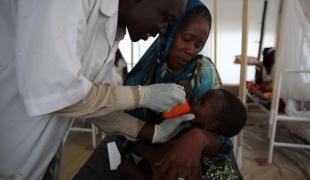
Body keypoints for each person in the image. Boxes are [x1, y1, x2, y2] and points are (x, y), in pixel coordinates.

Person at [0, 0, 191, 179]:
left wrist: (154, 132)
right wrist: (141, 95)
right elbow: (55, 92)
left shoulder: (112, 27)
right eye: (165, 18)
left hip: (36, 159)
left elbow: (94, 103)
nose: (162, 30)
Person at [87, 3, 241, 180]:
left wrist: (198, 138)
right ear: (169, 32)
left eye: (198, 45)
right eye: (186, 39)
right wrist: (153, 152)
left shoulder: (203, 74)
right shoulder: (144, 74)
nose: (190, 50)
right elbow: (124, 133)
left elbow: (223, 134)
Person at [115, 89, 247, 180]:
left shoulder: (204, 155)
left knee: (123, 169)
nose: (193, 102)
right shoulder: (184, 128)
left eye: (201, 102)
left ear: (212, 124)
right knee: (123, 167)